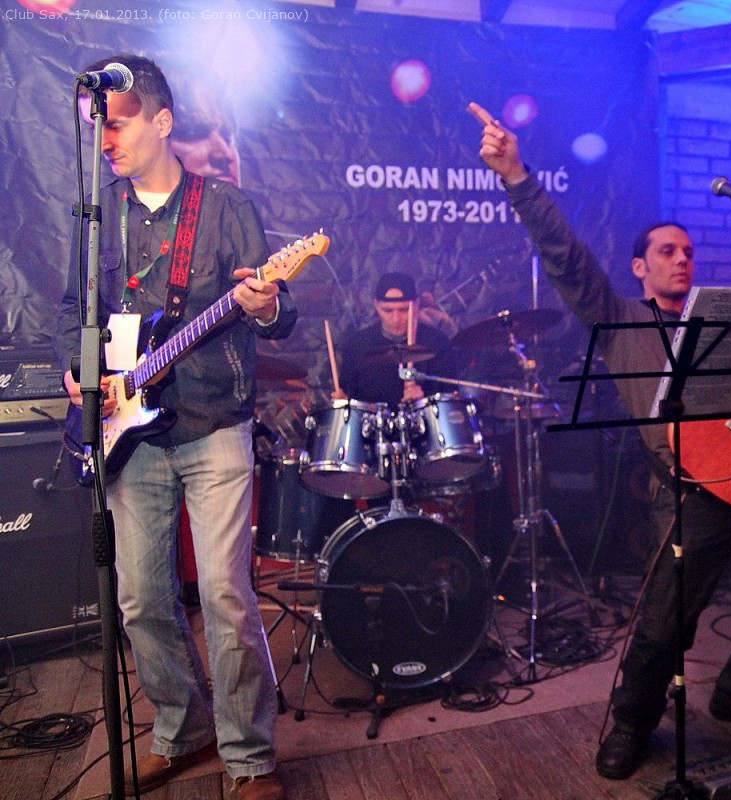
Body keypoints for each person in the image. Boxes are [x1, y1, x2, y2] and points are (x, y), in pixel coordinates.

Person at [477, 109, 731, 781]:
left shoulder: (729, 321)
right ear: (639, 267)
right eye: (668, 252)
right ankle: (631, 723)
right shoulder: (619, 318)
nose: (683, 260)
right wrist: (516, 176)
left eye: (688, 252)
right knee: (664, 624)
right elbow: (566, 257)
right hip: (690, 490)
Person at [56, 54, 292, 800]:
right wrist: (77, 370)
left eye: (118, 125)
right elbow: (73, 311)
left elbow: (276, 312)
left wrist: (267, 304)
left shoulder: (225, 207)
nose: (106, 140)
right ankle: (182, 729)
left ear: (161, 122)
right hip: (128, 433)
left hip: (214, 421)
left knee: (224, 594)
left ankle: (249, 757)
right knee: (139, 600)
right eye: (98, 126)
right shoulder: (98, 216)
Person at [331, 272, 456, 406]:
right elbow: (349, 396)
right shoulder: (356, 345)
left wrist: (425, 399)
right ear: (377, 306)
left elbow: (450, 400)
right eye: (388, 311)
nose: (396, 319)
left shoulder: (437, 342)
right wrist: (344, 401)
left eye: (404, 310)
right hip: (373, 419)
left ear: (416, 305)